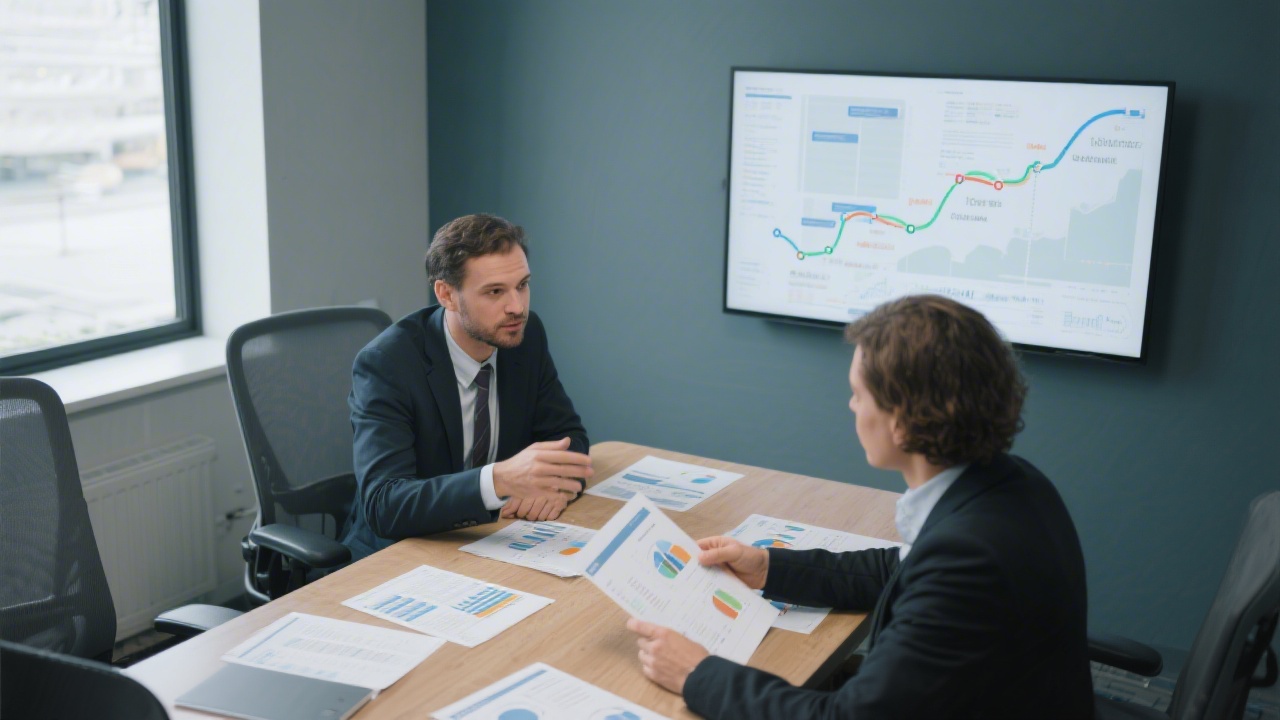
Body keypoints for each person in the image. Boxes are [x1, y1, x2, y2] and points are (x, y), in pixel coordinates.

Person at [627, 294, 1093, 719]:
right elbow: (903, 568)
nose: (851, 406)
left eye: (858, 393)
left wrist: (697, 673)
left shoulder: (967, 560)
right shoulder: (1013, 484)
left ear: (905, 420)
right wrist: (768, 567)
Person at [342, 213, 592, 561]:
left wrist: (557, 489)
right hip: (401, 551)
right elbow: (385, 505)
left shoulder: (524, 334)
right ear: (446, 294)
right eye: (494, 292)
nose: (517, 307)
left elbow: (568, 435)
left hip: (493, 535)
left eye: (522, 285)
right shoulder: (387, 364)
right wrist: (498, 481)